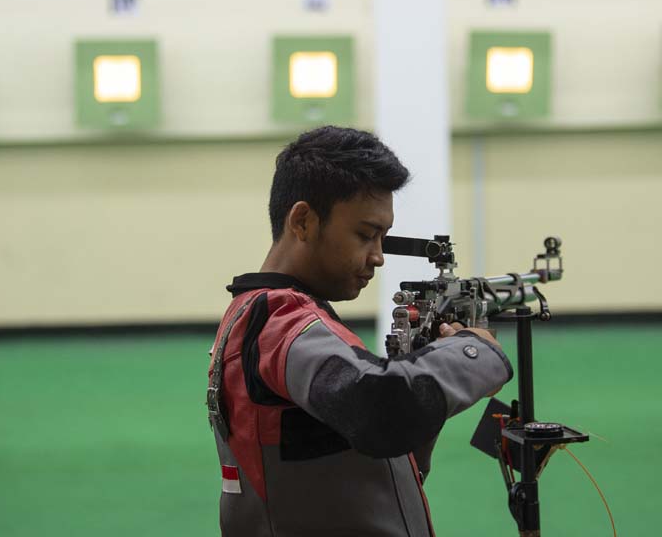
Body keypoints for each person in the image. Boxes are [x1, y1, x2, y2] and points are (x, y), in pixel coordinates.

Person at [206, 126, 512, 537]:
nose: (379, 257)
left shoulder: (261, 312)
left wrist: (417, 376)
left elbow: (371, 456)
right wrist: (472, 352)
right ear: (303, 221)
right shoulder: (281, 321)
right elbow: (379, 410)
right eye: (365, 235)